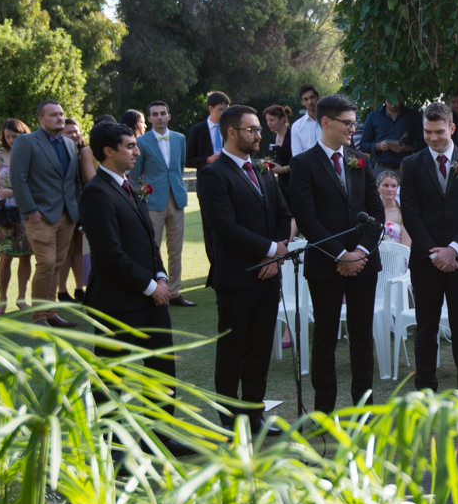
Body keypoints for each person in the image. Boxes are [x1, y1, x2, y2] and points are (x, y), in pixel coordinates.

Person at [196, 105, 293, 436]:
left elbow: (282, 214)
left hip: (268, 276)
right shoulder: (213, 174)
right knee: (233, 351)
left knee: (260, 348)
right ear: (232, 133)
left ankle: (254, 414)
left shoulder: (264, 170)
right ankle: (228, 418)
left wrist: (276, 256)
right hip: (237, 276)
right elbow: (224, 227)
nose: (258, 135)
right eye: (251, 130)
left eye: (258, 130)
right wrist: (269, 251)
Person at [288, 94, 384, 412]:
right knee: (325, 337)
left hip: (363, 264)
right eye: (347, 123)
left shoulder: (361, 160)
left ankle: (363, 409)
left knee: (361, 335)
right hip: (325, 265)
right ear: (325, 122)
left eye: (354, 124)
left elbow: (376, 215)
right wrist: (340, 255)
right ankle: (324, 411)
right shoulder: (303, 164)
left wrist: (358, 252)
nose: (352, 130)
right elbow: (307, 220)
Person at [398, 101, 458, 400]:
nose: (433, 138)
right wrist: (435, 253)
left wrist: (453, 249)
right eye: (427, 132)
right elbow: (410, 214)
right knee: (426, 329)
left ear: (451, 128)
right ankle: (425, 394)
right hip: (426, 260)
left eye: (439, 132)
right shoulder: (411, 164)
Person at [80, 120, 175, 397]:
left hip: (151, 298)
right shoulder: (96, 193)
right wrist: (151, 287)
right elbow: (110, 253)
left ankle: (162, 438)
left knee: (162, 371)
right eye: (130, 146)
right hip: (117, 302)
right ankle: (111, 441)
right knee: (113, 379)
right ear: (109, 151)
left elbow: (149, 240)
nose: (137, 152)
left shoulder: (131, 185)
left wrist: (161, 276)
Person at [10, 100, 80, 327]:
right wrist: (30, 210)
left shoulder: (70, 145)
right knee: (46, 263)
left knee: (58, 264)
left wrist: (75, 209)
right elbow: (18, 179)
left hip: (67, 214)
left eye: (61, 114)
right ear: (40, 119)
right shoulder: (26, 142)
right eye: (53, 115)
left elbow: (72, 180)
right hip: (40, 214)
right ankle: (38, 316)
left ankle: (51, 313)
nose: (59, 118)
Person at [136, 100, 195, 306]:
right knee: (151, 248)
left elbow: (178, 167)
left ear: (169, 116)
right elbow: (136, 174)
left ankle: (174, 292)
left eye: (163, 113)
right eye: (155, 114)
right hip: (153, 201)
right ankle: (153, 291)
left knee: (176, 248)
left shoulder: (180, 138)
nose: (160, 117)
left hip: (176, 198)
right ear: (149, 118)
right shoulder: (142, 142)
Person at [0, 121, 32, 314]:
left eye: (15, 136)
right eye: (8, 136)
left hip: (25, 211)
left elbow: (34, 184)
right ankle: (2, 299)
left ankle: (22, 298)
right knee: (5, 256)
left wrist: (12, 192)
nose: (11, 140)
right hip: (5, 213)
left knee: (25, 256)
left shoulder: (29, 154)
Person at [58, 117, 99, 303]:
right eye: (69, 132)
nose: (74, 135)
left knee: (79, 250)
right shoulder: (60, 153)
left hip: (83, 205)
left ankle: (79, 287)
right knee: (66, 250)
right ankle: (61, 290)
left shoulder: (85, 152)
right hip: (64, 207)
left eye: (76, 131)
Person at [186, 91, 231, 169]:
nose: (224, 113)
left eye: (227, 110)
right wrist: (207, 160)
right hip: (207, 176)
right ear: (211, 108)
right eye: (221, 109)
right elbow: (188, 160)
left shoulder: (232, 129)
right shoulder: (197, 131)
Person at [263, 104, 294, 185]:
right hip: (280, 181)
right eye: (267, 120)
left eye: (272, 120)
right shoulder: (273, 136)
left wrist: (283, 169)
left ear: (283, 119)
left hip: (294, 180)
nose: (268, 123)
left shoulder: (293, 135)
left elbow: (301, 162)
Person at [289, 85, 322, 159]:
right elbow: (297, 155)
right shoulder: (296, 126)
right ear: (302, 102)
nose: (310, 102)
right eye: (306, 99)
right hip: (307, 168)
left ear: (318, 97)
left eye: (312, 97)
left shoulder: (329, 121)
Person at [377, 170, 405, 242]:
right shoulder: (372, 210)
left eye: (393, 186)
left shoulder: (402, 213)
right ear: (378, 187)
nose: (390, 189)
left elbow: (406, 246)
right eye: (386, 185)